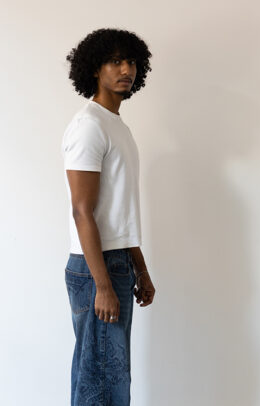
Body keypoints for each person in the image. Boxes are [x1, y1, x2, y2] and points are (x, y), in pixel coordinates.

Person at [61, 28, 156, 406]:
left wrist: (140, 269)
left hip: (117, 264)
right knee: (99, 382)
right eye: (115, 61)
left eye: (131, 61)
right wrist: (102, 285)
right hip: (95, 268)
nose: (126, 69)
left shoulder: (117, 126)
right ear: (94, 68)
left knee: (109, 379)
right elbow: (82, 210)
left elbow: (118, 211)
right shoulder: (90, 125)